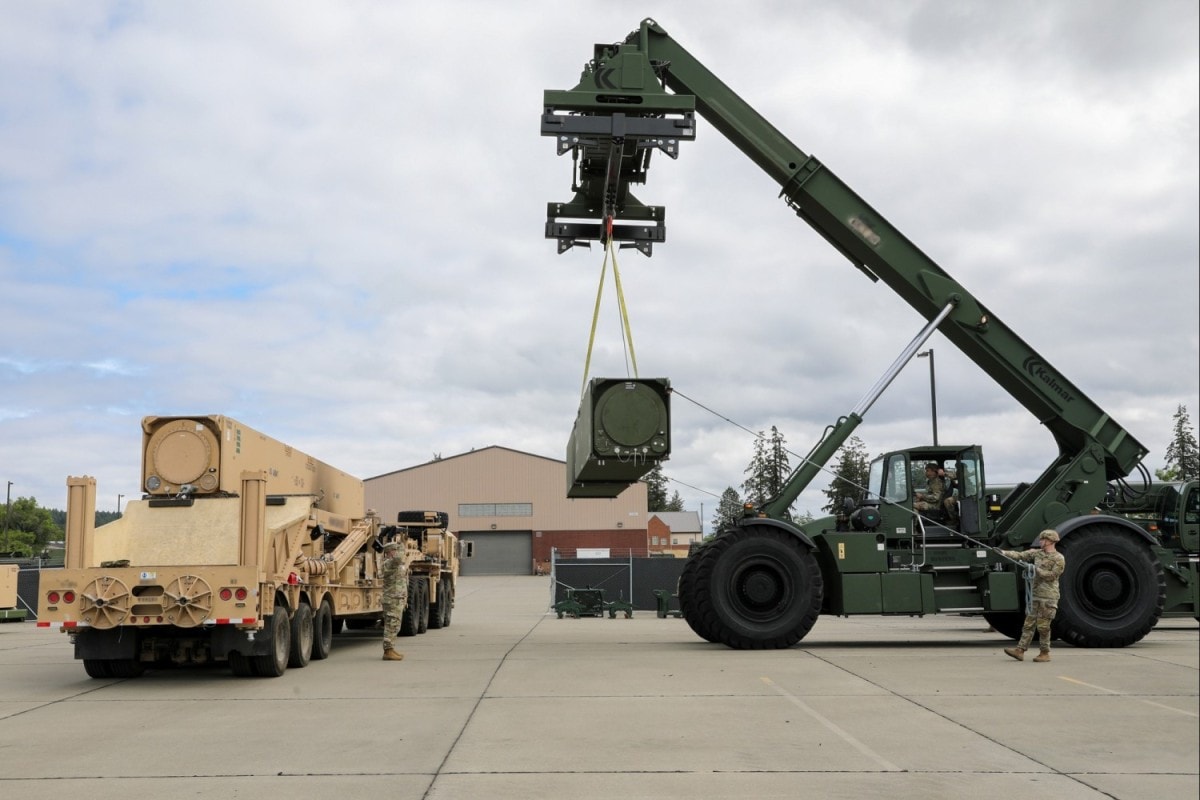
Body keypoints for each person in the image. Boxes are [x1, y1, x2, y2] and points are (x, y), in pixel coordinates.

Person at [999, 529, 1066, 662]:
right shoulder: (1037, 553)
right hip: (1035, 596)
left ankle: (1045, 653)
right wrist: (1003, 552)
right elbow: (1020, 555)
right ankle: (1020, 650)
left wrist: (1036, 569)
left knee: (1043, 626)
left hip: (1048, 597)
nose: (1040, 542)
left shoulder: (1059, 558)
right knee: (1028, 624)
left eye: (1042, 540)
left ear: (1050, 541)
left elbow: (1052, 576)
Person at [380, 530, 409, 662]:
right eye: (394, 550)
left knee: (395, 624)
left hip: (396, 599)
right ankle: (388, 651)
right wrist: (402, 544)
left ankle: (391, 648)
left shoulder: (395, 563)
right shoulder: (389, 563)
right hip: (391, 599)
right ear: (390, 552)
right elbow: (399, 559)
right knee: (391, 624)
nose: (396, 552)